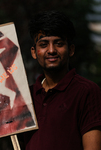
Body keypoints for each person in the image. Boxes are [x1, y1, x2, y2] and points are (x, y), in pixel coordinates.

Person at [18, 10, 101, 150]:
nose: (51, 50)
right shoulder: (25, 97)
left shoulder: (86, 91)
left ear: (71, 49)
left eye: (59, 43)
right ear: (33, 52)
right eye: (43, 44)